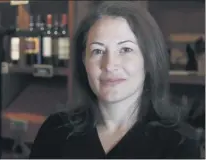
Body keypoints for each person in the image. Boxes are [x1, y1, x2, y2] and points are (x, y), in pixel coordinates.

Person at [29, 1, 202, 159]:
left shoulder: (179, 143)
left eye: (125, 49)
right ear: (83, 62)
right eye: (98, 51)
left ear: (148, 60)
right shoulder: (55, 131)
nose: (110, 65)